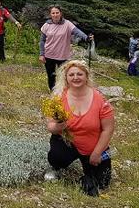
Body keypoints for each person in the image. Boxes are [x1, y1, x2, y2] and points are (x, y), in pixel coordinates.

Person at [45, 60, 115, 196]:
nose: (75, 78)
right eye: (71, 75)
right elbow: (50, 126)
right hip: (69, 143)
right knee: (56, 156)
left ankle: (86, 173)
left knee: (103, 183)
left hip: (93, 146)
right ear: (65, 78)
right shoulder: (57, 98)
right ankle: (56, 166)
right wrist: (58, 127)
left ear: (86, 76)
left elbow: (108, 129)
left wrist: (97, 153)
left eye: (79, 74)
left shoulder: (100, 99)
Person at [39, 5, 92, 90]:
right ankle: (53, 92)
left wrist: (86, 38)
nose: (55, 15)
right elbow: (42, 41)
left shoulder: (67, 24)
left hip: (63, 56)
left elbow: (77, 32)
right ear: (50, 14)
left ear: (61, 13)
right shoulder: (46, 25)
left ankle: (64, 92)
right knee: (51, 75)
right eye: (53, 13)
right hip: (49, 55)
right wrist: (42, 54)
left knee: (64, 76)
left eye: (57, 13)